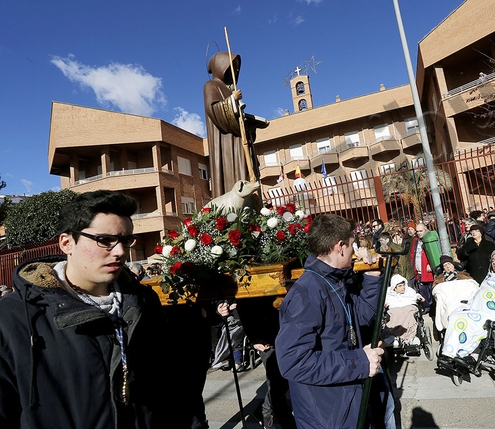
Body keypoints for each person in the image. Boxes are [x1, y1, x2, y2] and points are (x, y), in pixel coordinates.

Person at [0, 190, 206, 428]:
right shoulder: (14, 318)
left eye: (125, 240)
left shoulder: (143, 302)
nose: (119, 252)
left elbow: (173, 388)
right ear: (67, 243)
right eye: (105, 240)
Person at [275, 214, 386, 429]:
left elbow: (361, 316)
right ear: (340, 246)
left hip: (346, 401)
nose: (355, 253)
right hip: (327, 415)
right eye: (353, 245)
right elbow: (293, 362)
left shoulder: (335, 282)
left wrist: (372, 279)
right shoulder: (308, 292)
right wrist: (360, 362)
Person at [440, 248, 495, 361]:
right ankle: (450, 352)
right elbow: (480, 294)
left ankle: (460, 353)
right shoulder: (489, 277)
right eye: (492, 260)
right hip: (479, 310)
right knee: (456, 315)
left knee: (466, 321)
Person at [203, 52, 268, 195]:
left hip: (239, 141)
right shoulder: (211, 85)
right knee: (231, 174)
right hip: (225, 141)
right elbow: (213, 109)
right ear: (221, 66)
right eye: (232, 67)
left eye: (237, 68)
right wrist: (232, 99)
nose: (236, 71)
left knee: (245, 170)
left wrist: (251, 124)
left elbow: (237, 117)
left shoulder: (229, 88)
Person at [236, 297, 296, 429]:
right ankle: (272, 417)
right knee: (277, 384)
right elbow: (243, 306)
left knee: (284, 380)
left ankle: (262, 411)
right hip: (266, 336)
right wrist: (253, 337)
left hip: (285, 331)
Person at [431, 255, 479, 333]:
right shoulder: (440, 279)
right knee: (449, 309)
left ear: (453, 265)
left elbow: (472, 284)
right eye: (445, 265)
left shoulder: (463, 275)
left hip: (464, 299)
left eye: (449, 264)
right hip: (450, 300)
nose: (448, 267)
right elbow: (437, 289)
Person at [382, 274, 425, 347]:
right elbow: (385, 301)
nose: (403, 287)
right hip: (395, 307)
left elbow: (416, 295)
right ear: (394, 288)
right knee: (396, 314)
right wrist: (385, 304)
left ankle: (410, 337)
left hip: (409, 306)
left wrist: (419, 297)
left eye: (403, 285)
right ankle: (394, 337)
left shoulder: (409, 291)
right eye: (400, 286)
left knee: (408, 313)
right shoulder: (388, 293)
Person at [211, 301, 247, 372]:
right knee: (224, 338)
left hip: (238, 320)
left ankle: (237, 362)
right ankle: (224, 360)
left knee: (235, 337)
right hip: (229, 319)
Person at [408, 222, 434, 313]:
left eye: (421, 231)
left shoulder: (430, 239)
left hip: (427, 270)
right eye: (417, 231)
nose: (419, 233)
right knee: (422, 290)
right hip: (418, 270)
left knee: (431, 290)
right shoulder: (415, 241)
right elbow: (412, 254)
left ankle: (433, 307)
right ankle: (426, 307)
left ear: (425, 230)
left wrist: (431, 264)